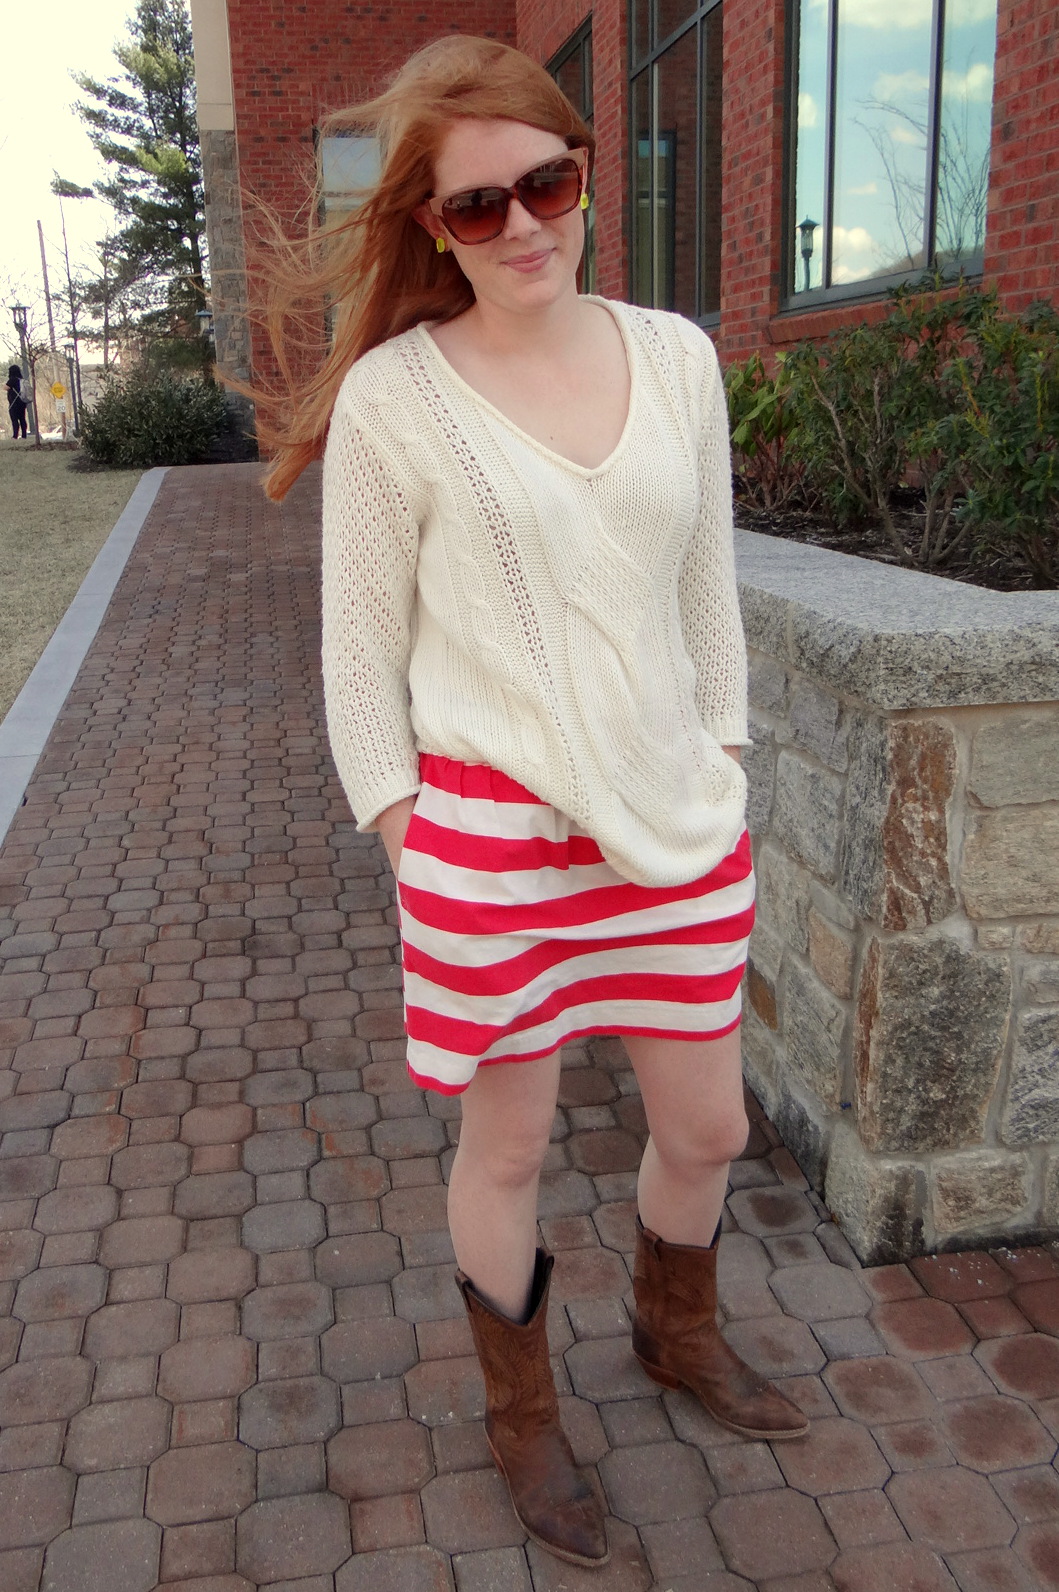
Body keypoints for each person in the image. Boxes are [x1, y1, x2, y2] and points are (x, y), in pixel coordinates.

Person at [254, 35, 808, 1569]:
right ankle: (521, 1420)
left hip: (674, 831)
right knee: (504, 1153)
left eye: (544, 185)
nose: (519, 227)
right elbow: (356, 661)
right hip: (490, 850)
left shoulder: (678, 359)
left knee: (706, 1124)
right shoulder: (397, 400)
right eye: (474, 206)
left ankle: (671, 1332)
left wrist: (723, 758)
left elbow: (705, 594)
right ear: (430, 227)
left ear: (584, 176)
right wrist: (412, 841)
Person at [6, 364, 27, 439]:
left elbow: (5, 387)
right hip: (22, 402)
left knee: (14, 419)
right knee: (22, 419)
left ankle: (15, 435)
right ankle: (24, 435)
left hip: (14, 403)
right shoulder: (21, 380)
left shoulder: (12, 379)